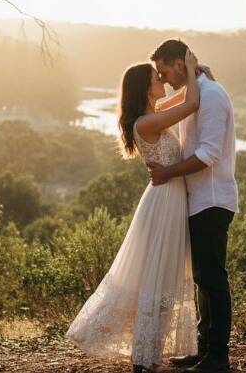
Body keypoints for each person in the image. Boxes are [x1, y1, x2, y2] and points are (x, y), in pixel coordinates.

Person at [67, 49, 207, 373]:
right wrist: (189, 67)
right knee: (157, 279)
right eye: (157, 77)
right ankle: (144, 358)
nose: (163, 81)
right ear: (145, 88)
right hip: (164, 202)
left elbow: (183, 98)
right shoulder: (147, 123)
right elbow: (191, 104)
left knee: (162, 277)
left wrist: (197, 74)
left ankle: (148, 355)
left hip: (168, 198)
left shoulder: (153, 114)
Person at [147, 39, 238, 373]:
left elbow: (208, 154)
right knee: (202, 278)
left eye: (164, 71)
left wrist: (167, 172)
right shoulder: (196, 92)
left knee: (213, 279)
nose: (163, 78)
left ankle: (218, 356)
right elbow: (158, 106)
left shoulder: (211, 96)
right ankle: (203, 349)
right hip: (197, 200)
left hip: (212, 200)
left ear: (179, 64)